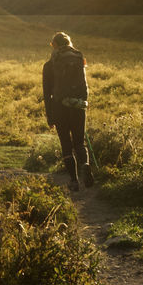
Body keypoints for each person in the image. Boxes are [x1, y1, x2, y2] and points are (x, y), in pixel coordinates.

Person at [42, 31, 93, 192]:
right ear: (69, 43)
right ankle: (85, 165)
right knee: (79, 142)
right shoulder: (78, 59)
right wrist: (82, 103)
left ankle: (74, 181)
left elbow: (47, 94)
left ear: (54, 45)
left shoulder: (49, 65)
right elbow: (85, 85)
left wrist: (50, 117)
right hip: (78, 106)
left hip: (59, 107)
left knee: (66, 144)